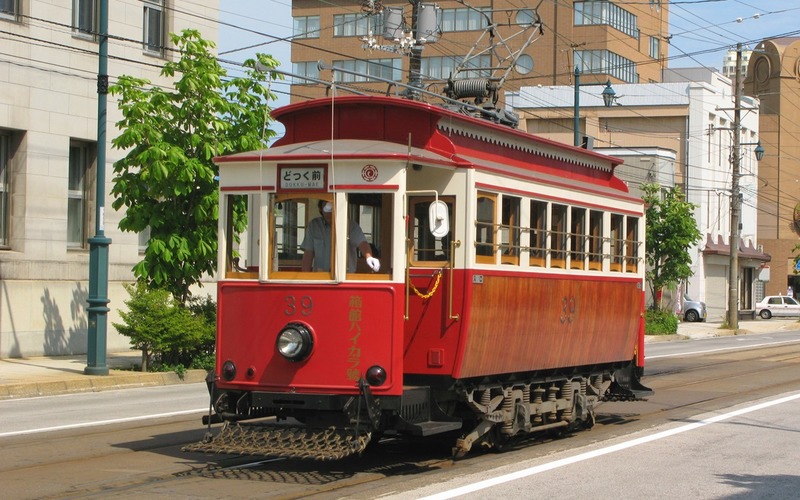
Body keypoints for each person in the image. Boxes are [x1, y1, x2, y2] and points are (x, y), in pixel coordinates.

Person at [301, 200, 381, 273]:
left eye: (333, 206)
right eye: (326, 207)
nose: (330, 211)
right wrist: (304, 279)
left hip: (345, 278)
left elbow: (362, 243)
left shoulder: (351, 226)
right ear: (321, 209)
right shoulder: (314, 226)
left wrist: (369, 257)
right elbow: (308, 253)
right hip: (321, 278)